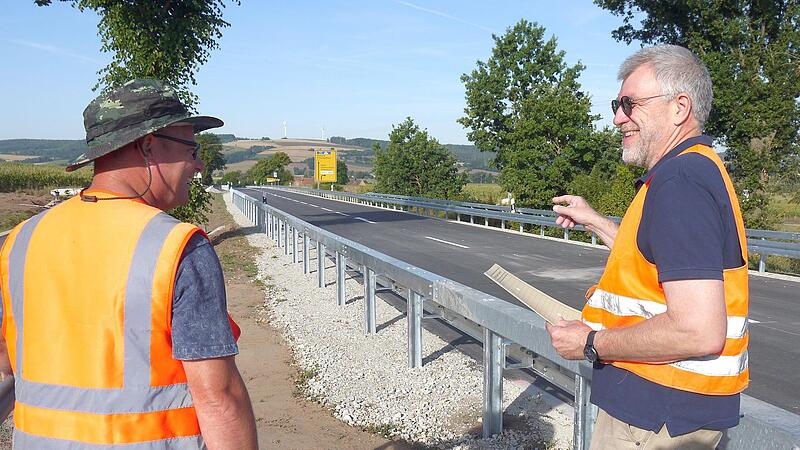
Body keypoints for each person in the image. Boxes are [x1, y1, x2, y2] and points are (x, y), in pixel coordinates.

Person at [0, 79, 258, 449]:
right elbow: (219, 397)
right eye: (191, 148)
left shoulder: (20, 242)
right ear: (148, 145)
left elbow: (7, 361)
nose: (199, 164)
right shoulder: (178, 247)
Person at [546, 45, 749, 449]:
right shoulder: (694, 167)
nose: (619, 117)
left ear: (679, 107)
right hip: (670, 413)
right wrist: (597, 222)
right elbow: (657, 257)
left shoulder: (680, 182)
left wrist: (589, 343)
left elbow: (697, 330)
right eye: (616, 104)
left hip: (656, 421)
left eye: (630, 103)